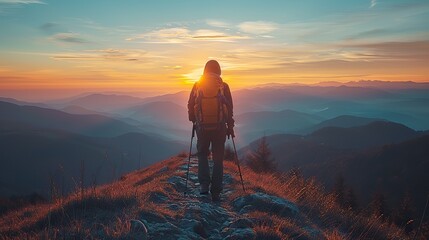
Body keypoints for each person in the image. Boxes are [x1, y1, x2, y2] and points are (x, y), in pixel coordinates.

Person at [187, 60, 235, 202]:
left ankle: (203, 186)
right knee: (218, 158)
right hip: (220, 127)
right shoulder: (223, 86)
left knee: (202, 154)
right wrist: (230, 125)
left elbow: (190, 105)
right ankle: (216, 191)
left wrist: (194, 119)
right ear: (218, 71)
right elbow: (230, 108)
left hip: (202, 127)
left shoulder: (197, 85)